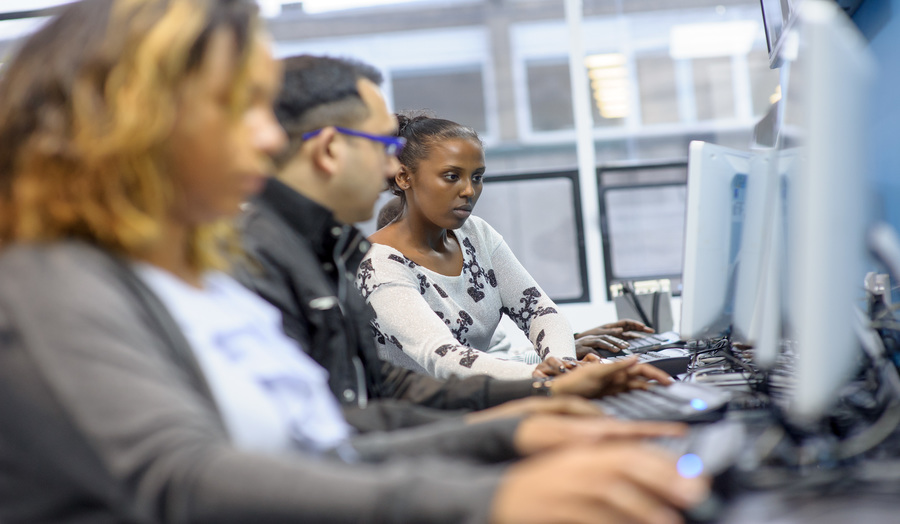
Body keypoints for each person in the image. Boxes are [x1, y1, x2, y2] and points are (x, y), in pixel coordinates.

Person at [0, 2, 709, 523]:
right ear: (129, 118)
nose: (264, 135)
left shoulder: (189, 283)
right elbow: (188, 480)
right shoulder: (46, 282)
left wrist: (514, 427)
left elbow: (321, 437)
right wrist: (487, 497)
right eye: (234, 105)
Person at [236, 53, 672, 425]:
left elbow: (387, 392)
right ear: (330, 150)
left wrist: (558, 377)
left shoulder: (331, 252)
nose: (390, 169)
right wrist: (544, 387)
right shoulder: (322, 264)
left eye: (476, 178)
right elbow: (416, 379)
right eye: (379, 145)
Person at [359, 114, 658, 380]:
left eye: (477, 177)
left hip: (486, 401)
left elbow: (541, 312)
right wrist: (549, 375)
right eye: (452, 176)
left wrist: (565, 365)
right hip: (429, 421)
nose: (468, 190)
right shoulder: (377, 263)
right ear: (404, 177)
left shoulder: (477, 234)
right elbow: (445, 357)